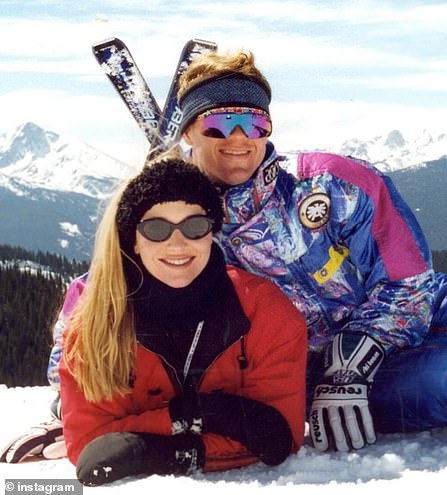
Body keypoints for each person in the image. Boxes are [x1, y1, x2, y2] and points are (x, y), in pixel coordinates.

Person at [5, 47, 447, 460]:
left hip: (408, 310)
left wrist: (356, 358)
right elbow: (99, 298)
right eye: (217, 127)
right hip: (313, 370)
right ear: (190, 133)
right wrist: (71, 404)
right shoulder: (179, 221)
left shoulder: (330, 184)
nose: (237, 141)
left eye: (252, 124)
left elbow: (409, 277)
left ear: (269, 129)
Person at [55, 159, 305, 485]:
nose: (177, 243)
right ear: (133, 239)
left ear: (211, 234)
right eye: (157, 228)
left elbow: (277, 438)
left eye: (195, 226)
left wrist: (153, 447)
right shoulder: (96, 326)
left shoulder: (265, 312)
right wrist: (198, 416)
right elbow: (92, 448)